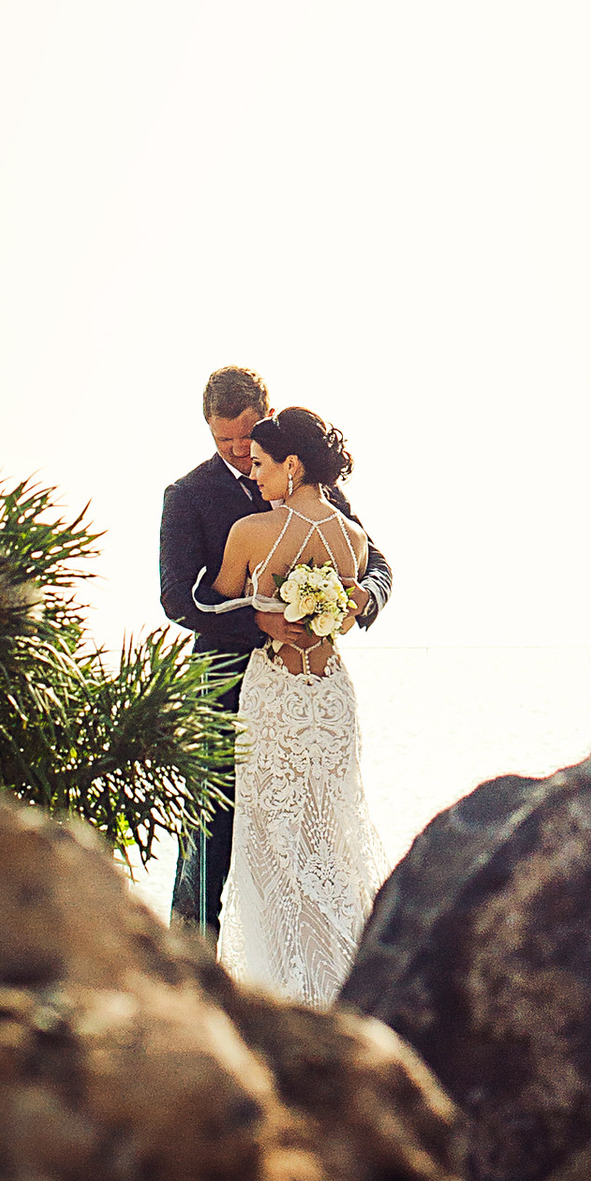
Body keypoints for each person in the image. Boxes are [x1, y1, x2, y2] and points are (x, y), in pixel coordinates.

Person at [158, 365, 390, 939]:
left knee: (310, 828)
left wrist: (363, 598)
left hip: (306, 688)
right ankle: (191, 968)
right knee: (210, 836)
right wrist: (257, 619)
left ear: (267, 417)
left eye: (248, 435)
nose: (240, 451)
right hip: (222, 682)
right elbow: (177, 598)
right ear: (208, 430)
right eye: (224, 440)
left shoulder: (322, 491)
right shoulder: (187, 496)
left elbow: (376, 564)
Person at [210, 406, 389, 1006]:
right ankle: (346, 984)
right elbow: (353, 602)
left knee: (269, 841)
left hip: (275, 698)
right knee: (330, 836)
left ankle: (281, 993)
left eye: (260, 464)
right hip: (332, 697)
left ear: (291, 464)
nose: (253, 477)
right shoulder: (354, 538)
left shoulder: (251, 533)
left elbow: (221, 600)